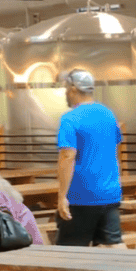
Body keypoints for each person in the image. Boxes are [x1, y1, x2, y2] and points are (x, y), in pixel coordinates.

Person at [55, 68, 123, 246]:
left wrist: (62, 196)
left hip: (80, 197)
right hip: (110, 194)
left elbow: (67, 155)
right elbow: (114, 150)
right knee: (111, 249)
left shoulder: (70, 119)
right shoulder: (108, 115)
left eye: (66, 89)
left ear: (72, 89)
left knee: (69, 256)